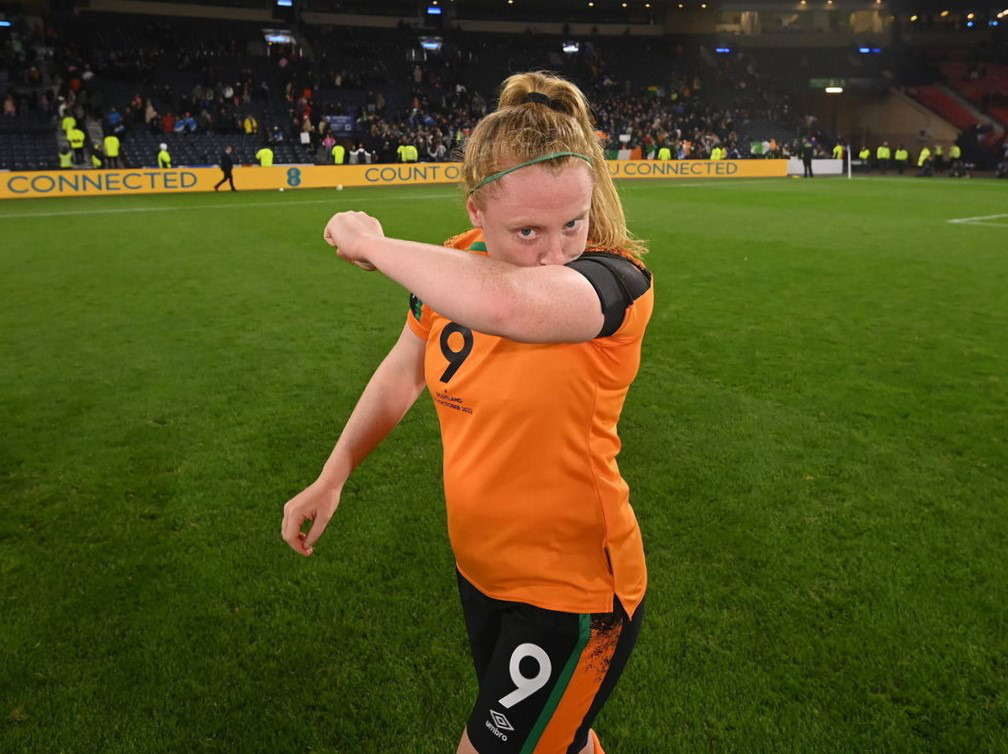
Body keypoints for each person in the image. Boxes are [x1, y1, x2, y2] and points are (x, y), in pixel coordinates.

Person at [282, 71, 652, 754]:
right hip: (482, 570)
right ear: (477, 212)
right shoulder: (456, 265)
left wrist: (372, 244)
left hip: (573, 593)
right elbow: (402, 375)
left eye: (572, 223)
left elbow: (509, 307)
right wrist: (333, 473)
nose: (554, 252)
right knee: (560, 741)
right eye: (527, 230)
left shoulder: (615, 281)